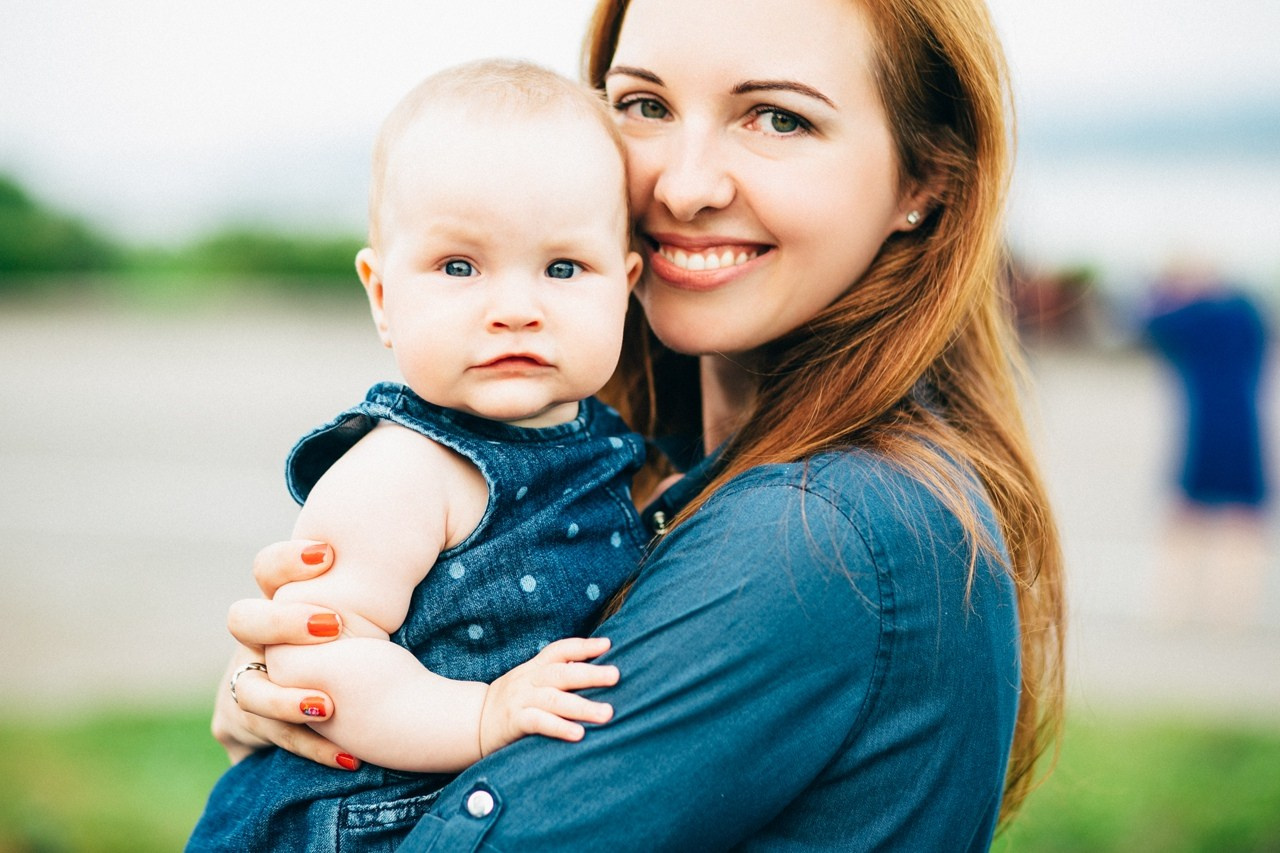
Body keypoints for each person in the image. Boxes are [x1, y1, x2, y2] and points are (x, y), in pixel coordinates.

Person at [210, 0, 1067, 848]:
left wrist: (405, 716)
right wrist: (314, 695)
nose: (683, 186)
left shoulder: (822, 529)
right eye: (644, 106)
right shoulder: (635, 460)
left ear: (924, 180)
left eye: (778, 118)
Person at [188, 59, 647, 851]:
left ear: (627, 284)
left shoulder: (604, 442)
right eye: (458, 267)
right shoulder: (404, 471)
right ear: (381, 295)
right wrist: (482, 715)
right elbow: (318, 664)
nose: (514, 309)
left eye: (563, 268)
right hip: (352, 820)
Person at [1143, 259, 1272, 625]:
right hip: (1244, 421)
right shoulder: (1245, 311)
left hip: (1203, 424)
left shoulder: (1192, 318)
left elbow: (1148, 323)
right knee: (1242, 519)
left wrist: (1168, 295)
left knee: (1187, 513)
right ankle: (1232, 608)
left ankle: (1171, 603)